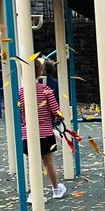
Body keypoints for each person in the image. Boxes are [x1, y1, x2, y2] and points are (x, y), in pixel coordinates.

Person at [18, 58, 66, 201]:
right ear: (40, 72)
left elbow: (20, 112)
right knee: (48, 161)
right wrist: (59, 118)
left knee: (33, 163)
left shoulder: (21, 92)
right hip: (45, 132)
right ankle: (56, 189)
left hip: (28, 133)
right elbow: (56, 110)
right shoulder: (46, 90)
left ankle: (34, 193)